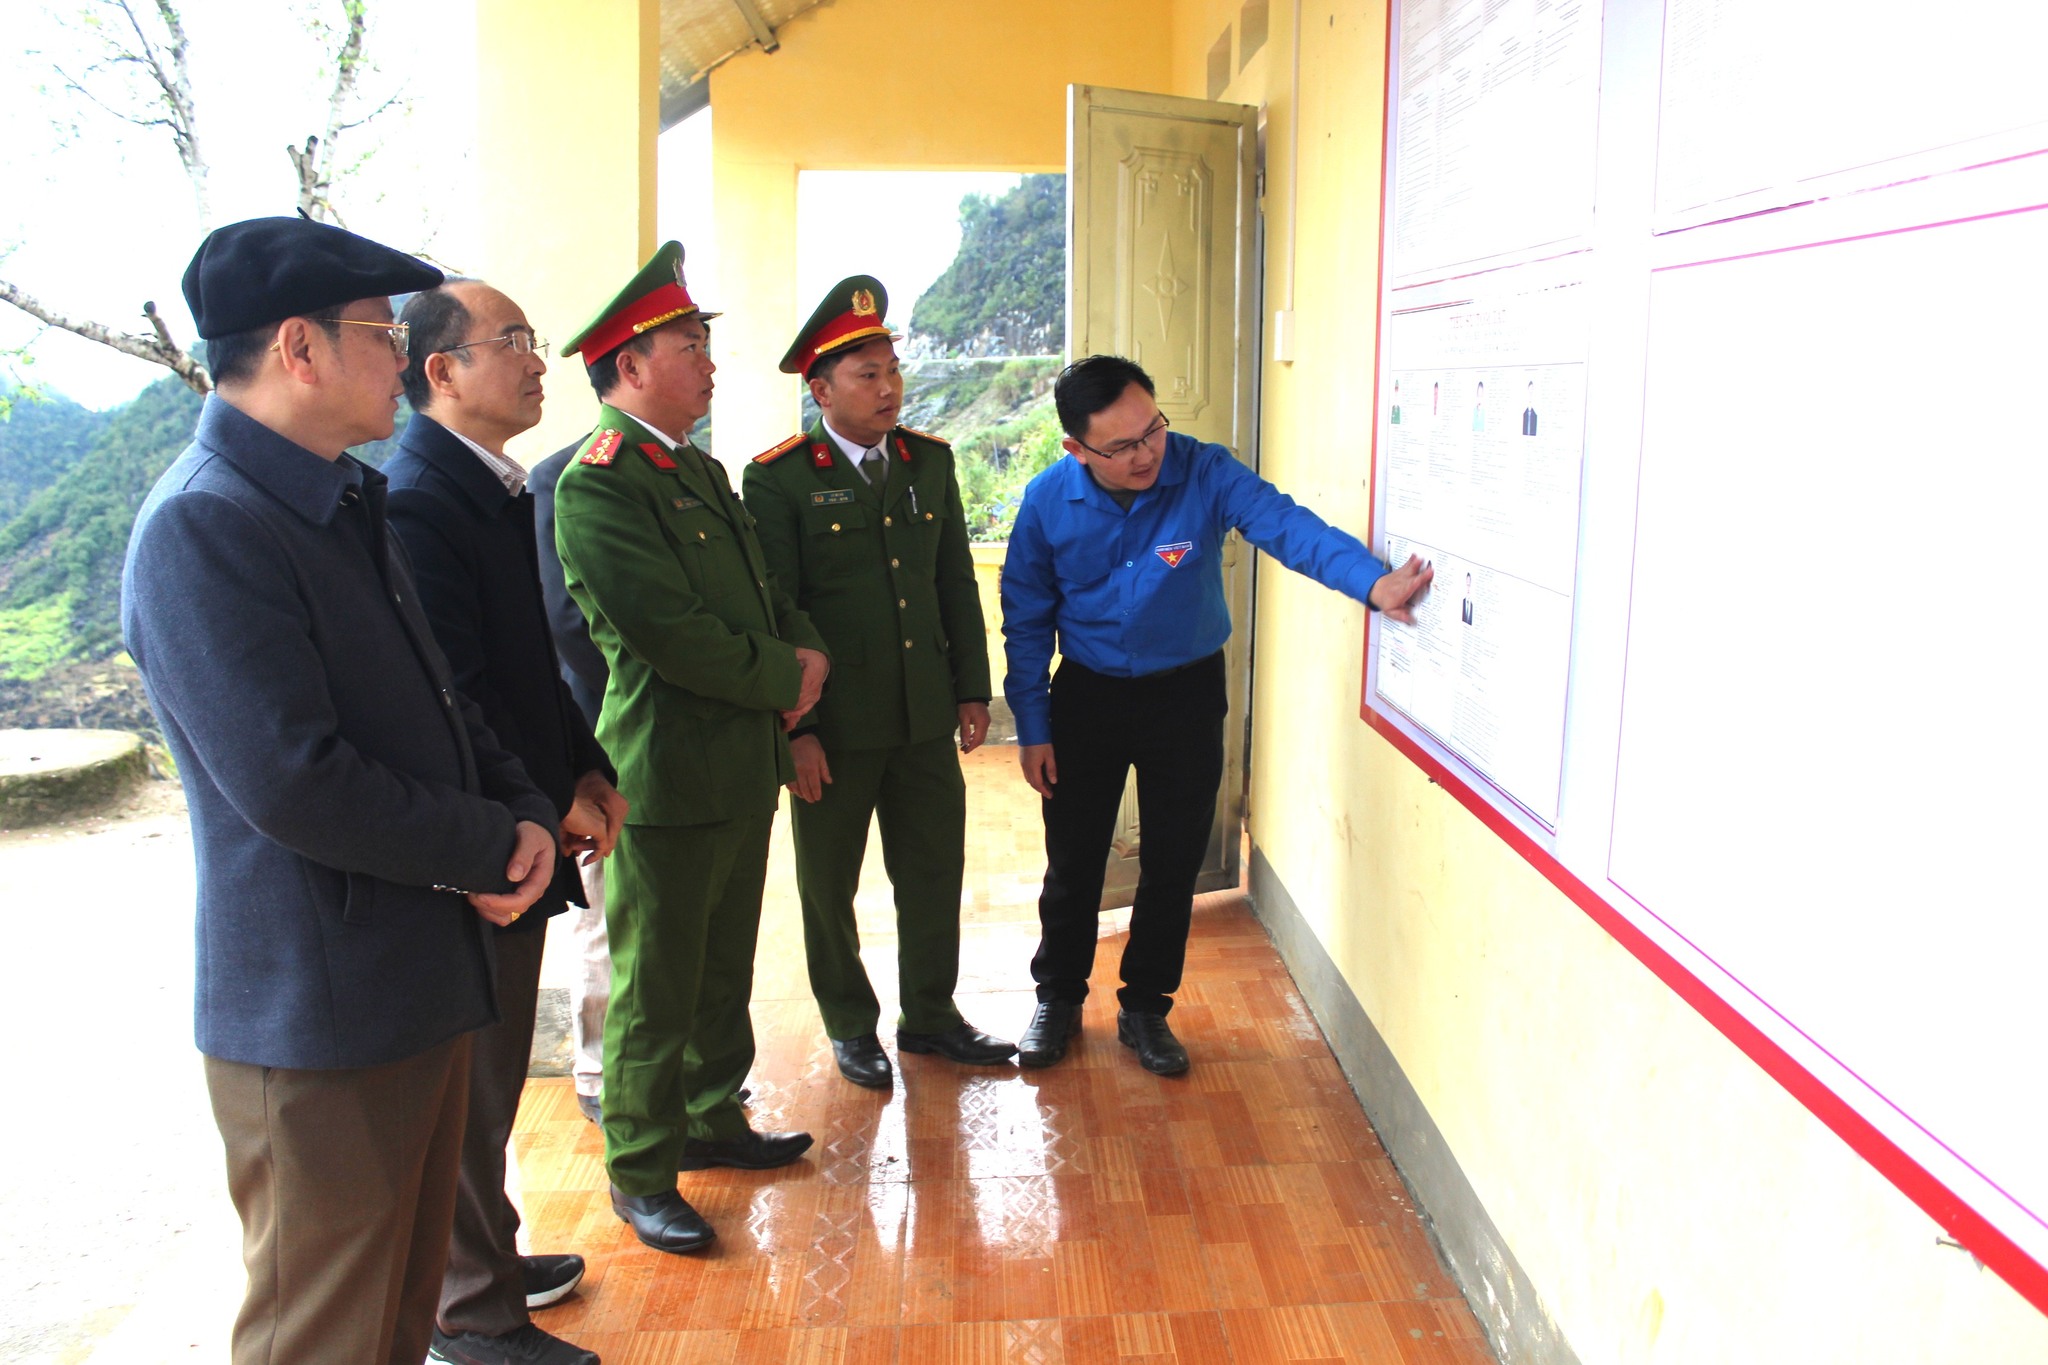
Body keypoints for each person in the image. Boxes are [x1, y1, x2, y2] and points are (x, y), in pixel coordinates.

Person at [121, 216, 561, 1365]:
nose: (400, 361)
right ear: (299, 348)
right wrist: (486, 843)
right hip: (321, 1010)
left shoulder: (334, 498)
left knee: (397, 1319)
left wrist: (519, 808)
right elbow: (296, 782)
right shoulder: (207, 521)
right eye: (380, 335)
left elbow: (441, 704)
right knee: (322, 1333)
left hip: (409, 978)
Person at [1001, 354, 1434, 1076]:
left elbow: (1286, 526)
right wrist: (1034, 726)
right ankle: (1059, 997)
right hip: (1088, 697)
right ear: (1076, 448)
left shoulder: (1204, 470)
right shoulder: (1047, 501)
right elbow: (1025, 619)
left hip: (1185, 695)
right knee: (1073, 859)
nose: (1147, 453)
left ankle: (1146, 1007)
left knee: (1174, 859)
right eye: (1122, 445)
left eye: (1153, 429)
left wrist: (1370, 583)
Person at [551, 242, 831, 1254]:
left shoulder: (696, 468)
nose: (710, 363)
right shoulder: (598, 484)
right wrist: (786, 677)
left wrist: (805, 652)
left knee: (718, 969)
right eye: (689, 346)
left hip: (737, 763)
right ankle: (640, 1169)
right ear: (629, 365)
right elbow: (670, 634)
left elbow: (762, 594)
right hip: (665, 774)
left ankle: (714, 1117)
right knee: (654, 987)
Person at [384, 279, 626, 1365]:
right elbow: (458, 691)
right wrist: (542, 799)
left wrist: (586, 765)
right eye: (515, 341)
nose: (538, 361)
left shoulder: (491, 485)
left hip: (523, 818)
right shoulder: (418, 499)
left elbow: (534, 662)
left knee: (485, 1087)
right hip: (485, 842)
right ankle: (471, 1312)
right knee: (469, 1092)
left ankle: (486, 1255)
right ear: (441, 370)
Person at [741, 275, 1014, 1090]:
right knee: (828, 887)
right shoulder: (781, 478)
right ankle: (850, 1025)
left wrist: (972, 688)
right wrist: (797, 730)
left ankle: (930, 1014)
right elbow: (777, 608)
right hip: (834, 725)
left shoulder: (930, 461)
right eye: (868, 374)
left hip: (922, 714)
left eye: (892, 369)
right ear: (821, 389)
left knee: (932, 872)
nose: (889, 386)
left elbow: (953, 580)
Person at [528, 431, 614, 1126]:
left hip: (682, 739)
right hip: (603, 729)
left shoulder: (693, 469)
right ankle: (600, 1070)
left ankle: (677, 1065)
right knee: (603, 916)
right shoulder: (557, 476)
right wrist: (654, 704)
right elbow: (566, 621)